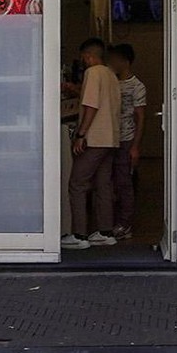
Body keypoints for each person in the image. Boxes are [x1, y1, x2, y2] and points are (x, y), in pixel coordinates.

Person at [64, 37, 120, 250]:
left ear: (88, 57)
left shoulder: (92, 72)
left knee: (77, 183)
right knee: (103, 184)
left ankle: (79, 234)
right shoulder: (111, 74)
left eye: (83, 58)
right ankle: (105, 232)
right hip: (111, 138)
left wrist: (81, 134)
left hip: (95, 138)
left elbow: (91, 105)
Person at [107, 43, 147, 239]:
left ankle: (125, 223)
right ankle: (109, 222)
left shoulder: (137, 86)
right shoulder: (110, 81)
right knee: (108, 182)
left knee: (124, 182)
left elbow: (140, 117)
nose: (111, 63)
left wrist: (135, 147)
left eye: (114, 59)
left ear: (125, 61)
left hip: (125, 139)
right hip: (108, 137)